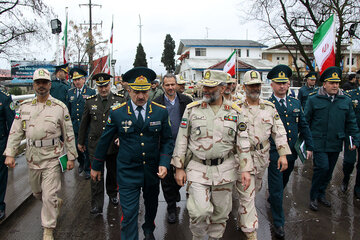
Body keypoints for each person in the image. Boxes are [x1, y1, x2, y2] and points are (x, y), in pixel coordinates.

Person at [90, 67, 173, 240]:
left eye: (144, 91)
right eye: (136, 92)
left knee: (151, 206)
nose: (141, 96)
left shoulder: (160, 111)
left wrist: (164, 163)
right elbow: (104, 141)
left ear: (150, 89)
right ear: (128, 90)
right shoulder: (118, 112)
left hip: (151, 171)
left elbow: (167, 140)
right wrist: (96, 166)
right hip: (127, 172)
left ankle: (149, 228)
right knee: (129, 214)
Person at [172, 69, 252, 240]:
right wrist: (179, 167)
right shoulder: (192, 110)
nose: (206, 90)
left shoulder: (235, 112)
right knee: (199, 211)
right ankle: (199, 237)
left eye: (211, 87)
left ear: (222, 89)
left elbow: (243, 142)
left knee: (221, 214)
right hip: (198, 168)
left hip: (225, 169)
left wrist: (246, 170)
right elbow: (182, 139)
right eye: (205, 87)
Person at [4, 68, 77, 240]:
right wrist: (10, 154)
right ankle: (54, 203)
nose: (41, 86)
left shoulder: (60, 107)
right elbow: (15, 132)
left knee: (49, 193)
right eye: (38, 82)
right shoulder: (24, 107)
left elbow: (68, 133)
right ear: (34, 84)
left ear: (50, 85)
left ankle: (48, 229)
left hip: (52, 157)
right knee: (38, 193)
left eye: (44, 82)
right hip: (32, 157)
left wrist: (71, 157)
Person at [235, 70, 291, 240]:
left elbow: (279, 131)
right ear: (244, 87)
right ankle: (250, 230)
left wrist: (282, 153)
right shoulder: (235, 109)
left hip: (262, 157)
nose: (255, 88)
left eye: (257, 85)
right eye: (251, 85)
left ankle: (242, 216)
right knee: (247, 194)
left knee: (255, 189)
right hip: (242, 158)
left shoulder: (269, 107)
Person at [267, 65, 314, 239]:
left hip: (292, 151)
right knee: (278, 188)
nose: (282, 86)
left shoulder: (295, 103)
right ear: (272, 84)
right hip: (274, 153)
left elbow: (303, 125)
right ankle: (279, 222)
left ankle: (273, 198)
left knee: (285, 180)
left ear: (288, 84)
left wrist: (309, 145)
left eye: (285, 83)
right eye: (278, 83)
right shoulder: (267, 105)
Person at [305, 66, 360, 212]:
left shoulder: (345, 101)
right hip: (318, 142)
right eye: (331, 83)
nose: (335, 86)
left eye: (337, 83)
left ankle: (322, 194)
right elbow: (306, 122)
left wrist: (354, 140)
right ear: (324, 84)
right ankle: (313, 196)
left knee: (329, 171)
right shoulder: (313, 100)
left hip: (336, 142)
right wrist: (306, 143)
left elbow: (351, 122)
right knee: (321, 168)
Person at [78, 73, 125, 214]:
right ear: (96, 87)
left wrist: (121, 136)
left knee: (112, 172)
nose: (103, 89)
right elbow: (84, 124)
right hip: (95, 145)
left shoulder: (120, 100)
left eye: (105, 86)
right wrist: (80, 141)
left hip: (112, 144)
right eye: (100, 87)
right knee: (96, 175)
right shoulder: (90, 101)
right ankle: (97, 204)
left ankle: (112, 194)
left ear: (110, 85)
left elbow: (124, 122)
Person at [153, 73, 192, 223]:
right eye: (167, 85)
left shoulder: (186, 101)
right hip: (164, 147)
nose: (170, 87)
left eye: (172, 84)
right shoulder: (156, 102)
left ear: (176, 85)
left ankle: (176, 192)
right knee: (167, 178)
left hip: (183, 146)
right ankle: (171, 207)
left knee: (182, 175)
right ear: (163, 86)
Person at [67, 67, 96, 179]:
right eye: (75, 80)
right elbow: (68, 110)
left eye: (79, 79)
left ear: (84, 80)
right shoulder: (70, 93)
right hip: (75, 126)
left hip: (87, 126)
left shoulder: (90, 92)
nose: (77, 82)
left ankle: (88, 169)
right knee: (76, 148)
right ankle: (81, 163)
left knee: (88, 149)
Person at [342, 86, 360, 198]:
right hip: (352, 133)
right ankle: (346, 177)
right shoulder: (350, 95)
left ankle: (358, 187)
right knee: (349, 161)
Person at [0, 89, 15, 221]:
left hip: (0, 143)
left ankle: (0, 206)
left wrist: (11, 149)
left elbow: (12, 125)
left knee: (0, 175)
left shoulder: (4, 98)